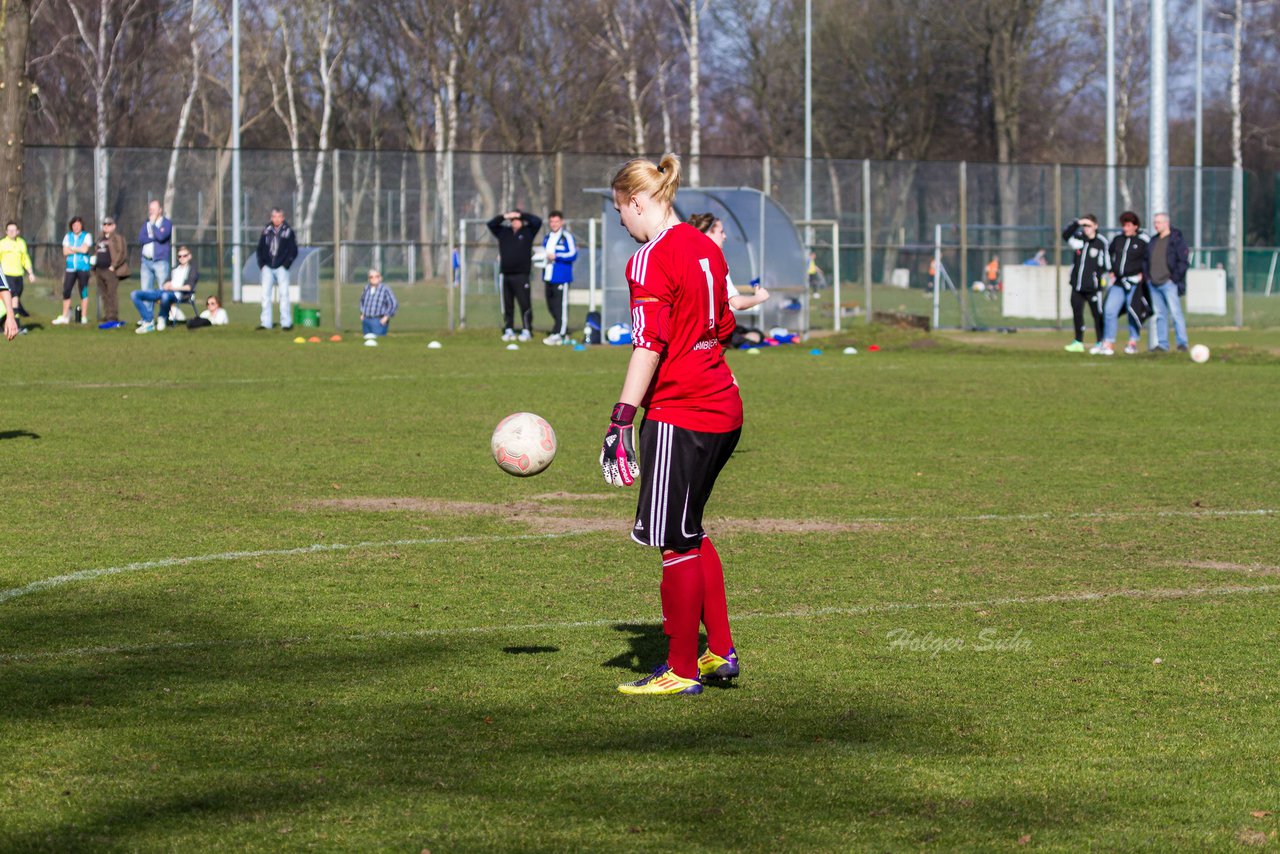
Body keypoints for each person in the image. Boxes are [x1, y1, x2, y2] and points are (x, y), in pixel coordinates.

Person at [601, 154, 742, 697]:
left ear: (638, 201)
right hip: (724, 406)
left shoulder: (648, 259)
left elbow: (648, 343)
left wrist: (621, 418)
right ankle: (718, 652)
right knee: (691, 527)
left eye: (621, 212)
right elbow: (724, 322)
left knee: (673, 541)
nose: (622, 224)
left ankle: (681, 669)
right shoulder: (708, 246)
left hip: (681, 413)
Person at [688, 212, 770, 310]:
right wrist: (760, 297)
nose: (725, 236)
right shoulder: (716, 263)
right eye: (721, 232)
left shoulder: (687, 259)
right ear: (709, 234)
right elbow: (737, 303)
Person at [1095, 211, 1150, 356]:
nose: (1125, 228)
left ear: (1135, 226)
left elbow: (1148, 260)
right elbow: (1109, 254)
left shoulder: (1142, 241)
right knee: (1109, 310)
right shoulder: (1118, 239)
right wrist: (1111, 270)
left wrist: (1143, 274)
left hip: (1134, 283)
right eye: (1124, 225)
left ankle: (1132, 342)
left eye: (1129, 225)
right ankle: (1108, 343)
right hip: (1119, 282)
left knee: (1133, 312)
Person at [487, 208, 541, 342]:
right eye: (513, 220)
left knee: (524, 303)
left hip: (522, 275)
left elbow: (537, 221)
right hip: (506, 274)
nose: (515, 222)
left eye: (517, 220)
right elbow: (491, 224)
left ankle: (527, 329)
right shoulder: (504, 232)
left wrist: (521, 214)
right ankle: (509, 328)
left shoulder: (528, 232)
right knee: (507, 304)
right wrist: (505, 216)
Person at [1061, 214, 1108, 353]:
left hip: (1093, 288)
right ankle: (1078, 342)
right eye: (1085, 226)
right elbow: (1065, 235)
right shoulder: (1079, 239)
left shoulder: (1101, 242)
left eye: (1089, 225)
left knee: (1097, 315)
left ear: (1095, 226)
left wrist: (1100, 280)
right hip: (1077, 285)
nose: (1086, 229)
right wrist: (1078, 222)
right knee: (1077, 314)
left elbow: (1106, 264)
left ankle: (1100, 342)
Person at [1145, 212, 1190, 353]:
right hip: (1154, 284)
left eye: (1158, 222)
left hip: (1169, 283)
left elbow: (1183, 262)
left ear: (1166, 223)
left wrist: (1174, 278)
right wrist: (1148, 277)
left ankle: (1182, 343)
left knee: (1176, 314)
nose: (1155, 225)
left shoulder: (1176, 240)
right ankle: (1162, 344)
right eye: (1155, 222)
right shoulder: (1153, 241)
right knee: (1160, 315)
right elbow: (1146, 261)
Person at [132, 245, 198, 333]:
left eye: (185, 255)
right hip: (165, 291)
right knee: (135, 294)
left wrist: (173, 288)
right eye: (179, 256)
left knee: (165, 295)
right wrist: (166, 285)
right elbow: (165, 283)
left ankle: (162, 317)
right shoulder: (175, 269)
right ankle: (148, 320)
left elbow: (189, 287)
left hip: (180, 294)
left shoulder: (192, 270)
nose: (182, 258)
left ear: (189, 256)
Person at [256, 208, 298, 331]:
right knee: (265, 295)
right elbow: (260, 248)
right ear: (271, 217)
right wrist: (262, 264)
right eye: (274, 216)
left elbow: (293, 250)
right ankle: (266, 323)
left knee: (284, 295)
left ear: (283, 218)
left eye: (279, 216)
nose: (277, 219)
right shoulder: (266, 231)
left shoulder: (288, 231)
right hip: (267, 267)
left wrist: (286, 264)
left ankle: (286, 323)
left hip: (281, 268)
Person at [540, 210, 577, 345]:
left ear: (561, 222)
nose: (554, 224)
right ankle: (561, 330)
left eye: (556, 221)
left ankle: (560, 333)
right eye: (552, 221)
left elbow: (573, 255)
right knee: (552, 306)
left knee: (560, 306)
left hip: (561, 277)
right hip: (548, 276)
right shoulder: (547, 237)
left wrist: (557, 256)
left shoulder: (566, 237)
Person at [92, 217, 129, 329]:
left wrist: (114, 265)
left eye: (109, 224)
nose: (106, 227)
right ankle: (107, 315)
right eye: (104, 225)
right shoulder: (100, 239)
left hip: (110, 270)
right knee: (103, 294)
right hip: (99, 269)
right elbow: (97, 252)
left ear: (113, 226)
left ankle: (113, 316)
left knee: (111, 293)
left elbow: (122, 253)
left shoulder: (117, 238)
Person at [55, 216, 92, 325]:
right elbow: (65, 252)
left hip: (83, 268)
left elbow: (85, 249)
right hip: (70, 267)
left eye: (78, 225)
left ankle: (83, 317)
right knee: (66, 290)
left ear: (81, 226)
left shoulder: (87, 236)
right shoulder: (68, 236)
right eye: (74, 225)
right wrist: (78, 249)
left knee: (83, 291)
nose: (76, 227)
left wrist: (73, 248)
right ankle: (65, 315)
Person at [0, 222, 36, 331]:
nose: (11, 232)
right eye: (9, 230)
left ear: (18, 231)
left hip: (18, 276)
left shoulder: (21, 243)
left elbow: (25, 259)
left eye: (14, 230)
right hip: (6, 276)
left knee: (15, 299)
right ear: (6, 232)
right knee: (12, 299)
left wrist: (30, 273)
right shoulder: (2, 243)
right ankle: (15, 325)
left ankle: (12, 325)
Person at [137, 200, 173, 295]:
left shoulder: (166, 223)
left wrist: (153, 225)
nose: (151, 211)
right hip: (146, 262)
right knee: (146, 293)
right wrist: (153, 238)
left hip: (160, 261)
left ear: (160, 210)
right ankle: (148, 310)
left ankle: (164, 310)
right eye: (150, 209)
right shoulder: (146, 223)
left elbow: (161, 237)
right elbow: (141, 238)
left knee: (163, 292)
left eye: (154, 209)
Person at [358, 269, 398, 338]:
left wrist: (386, 317)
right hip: (366, 320)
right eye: (371, 277)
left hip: (378, 320)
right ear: (368, 279)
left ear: (380, 278)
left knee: (378, 341)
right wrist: (362, 314)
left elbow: (393, 304)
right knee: (367, 342)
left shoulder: (385, 289)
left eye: (376, 276)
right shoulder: (366, 288)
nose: (374, 278)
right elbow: (362, 301)